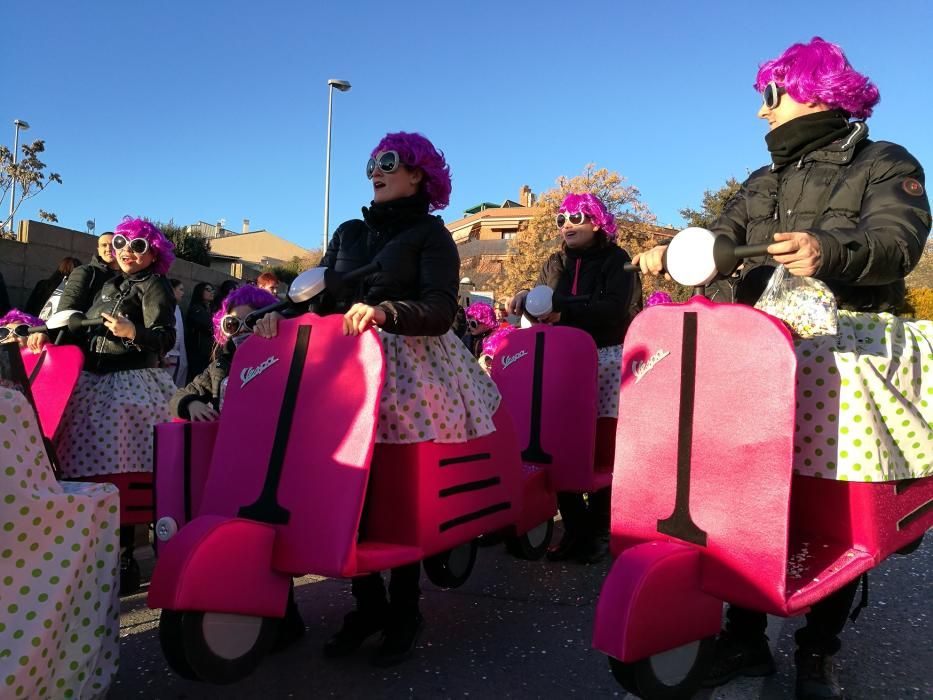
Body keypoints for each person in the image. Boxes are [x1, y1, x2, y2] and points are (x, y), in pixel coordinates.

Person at [634, 37, 931, 700]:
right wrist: (675, 253)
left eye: (770, 95)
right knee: (742, 491)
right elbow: (717, 239)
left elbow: (897, 241)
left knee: (836, 504)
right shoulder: (759, 181)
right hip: (755, 350)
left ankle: (816, 648)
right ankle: (743, 640)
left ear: (817, 90)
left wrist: (825, 248)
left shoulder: (884, 163)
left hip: (840, 353)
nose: (761, 112)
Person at [254, 131, 501, 666]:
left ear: (419, 174)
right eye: (371, 163)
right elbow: (315, 293)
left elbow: (439, 310)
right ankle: (367, 604)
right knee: (347, 489)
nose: (375, 170)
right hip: (341, 365)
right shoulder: (348, 232)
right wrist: (281, 313)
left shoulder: (433, 236)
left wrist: (388, 311)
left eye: (388, 162)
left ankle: (405, 610)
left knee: (395, 492)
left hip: (407, 369)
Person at [29, 217, 178, 594]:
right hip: (91, 382)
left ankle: (127, 554)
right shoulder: (108, 282)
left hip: (129, 384)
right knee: (84, 468)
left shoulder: (155, 285)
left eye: (139, 245)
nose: (128, 250)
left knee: (128, 474)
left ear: (153, 253)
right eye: (123, 242)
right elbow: (71, 322)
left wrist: (134, 333)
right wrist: (44, 336)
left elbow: (164, 337)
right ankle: (97, 550)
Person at [507, 193, 641, 564]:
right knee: (557, 443)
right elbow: (541, 299)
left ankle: (598, 531)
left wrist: (562, 312)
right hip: (562, 357)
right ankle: (578, 527)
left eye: (577, 216)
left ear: (597, 222)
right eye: (561, 218)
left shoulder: (617, 260)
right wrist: (523, 298)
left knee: (600, 450)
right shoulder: (554, 261)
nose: (566, 223)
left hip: (606, 358)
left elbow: (616, 312)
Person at [170, 285, 278, 421]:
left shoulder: (282, 360)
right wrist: (191, 403)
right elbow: (178, 396)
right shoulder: (219, 368)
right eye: (232, 323)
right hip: (229, 439)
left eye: (251, 321)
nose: (242, 329)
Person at [58, 232, 120, 314]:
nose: (109, 249)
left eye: (113, 245)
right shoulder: (85, 271)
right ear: (98, 250)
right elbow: (67, 309)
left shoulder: (129, 276)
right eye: (104, 245)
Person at [185, 281, 215, 381]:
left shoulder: (210, 309)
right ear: (200, 291)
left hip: (208, 353)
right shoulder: (196, 309)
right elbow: (209, 325)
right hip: (197, 353)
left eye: (212, 290)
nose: (211, 292)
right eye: (208, 290)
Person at [163, 279, 188, 388]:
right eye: (180, 289)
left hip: (177, 356)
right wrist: (164, 355)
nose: (183, 293)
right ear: (171, 290)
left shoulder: (177, 308)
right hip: (167, 357)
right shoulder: (164, 307)